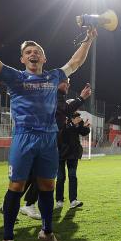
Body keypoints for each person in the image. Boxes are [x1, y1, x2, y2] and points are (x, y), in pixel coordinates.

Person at [0, 11, 95, 241]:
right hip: (24, 138)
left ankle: (47, 232)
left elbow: (76, 62)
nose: (32, 54)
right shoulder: (15, 77)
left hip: (49, 139)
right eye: (28, 52)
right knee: (16, 187)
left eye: (36, 51)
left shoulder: (54, 76)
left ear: (44, 58)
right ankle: (8, 240)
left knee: (48, 186)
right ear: (22, 59)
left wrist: (89, 39)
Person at [13, 77, 91, 217]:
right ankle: (28, 203)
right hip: (48, 143)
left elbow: (70, 119)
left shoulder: (52, 96)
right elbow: (64, 110)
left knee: (35, 174)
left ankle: (14, 202)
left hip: (48, 142)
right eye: (66, 82)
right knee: (44, 175)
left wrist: (82, 126)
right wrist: (81, 98)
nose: (68, 85)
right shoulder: (53, 96)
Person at [57, 111, 90, 208]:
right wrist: (72, 124)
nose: (79, 118)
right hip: (60, 153)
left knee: (72, 176)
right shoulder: (62, 120)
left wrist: (86, 127)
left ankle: (73, 200)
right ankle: (59, 200)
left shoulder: (78, 121)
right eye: (77, 117)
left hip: (73, 153)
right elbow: (61, 133)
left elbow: (83, 132)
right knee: (60, 178)